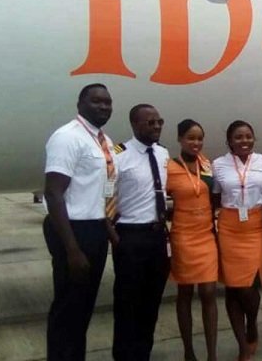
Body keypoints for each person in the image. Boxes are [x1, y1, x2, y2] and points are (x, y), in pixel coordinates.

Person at [43, 83, 115, 360]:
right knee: (68, 308)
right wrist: (72, 249)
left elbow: (98, 191)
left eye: (108, 102)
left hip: (94, 229)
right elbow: (53, 191)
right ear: (80, 104)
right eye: (97, 102)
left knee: (83, 309)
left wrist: (107, 229)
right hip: (72, 230)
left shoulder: (103, 140)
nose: (104, 107)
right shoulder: (67, 137)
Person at [111, 104, 170, 361]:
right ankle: (124, 355)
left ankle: (142, 354)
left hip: (158, 237)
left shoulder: (163, 154)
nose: (156, 127)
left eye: (159, 122)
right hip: (130, 236)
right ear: (134, 124)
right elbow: (105, 194)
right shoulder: (117, 154)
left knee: (151, 301)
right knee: (127, 302)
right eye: (150, 123)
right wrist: (111, 232)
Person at [211, 120, 262, 361]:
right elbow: (215, 197)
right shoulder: (218, 165)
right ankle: (242, 344)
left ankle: (252, 325)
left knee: (249, 286)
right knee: (233, 287)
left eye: (248, 136)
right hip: (229, 227)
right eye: (238, 137)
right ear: (229, 142)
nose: (244, 141)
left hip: (257, 227)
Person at [167, 119, 218, 361]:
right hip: (183, 237)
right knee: (185, 293)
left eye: (199, 138)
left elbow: (214, 197)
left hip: (206, 235)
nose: (196, 143)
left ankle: (211, 354)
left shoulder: (206, 165)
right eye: (190, 138)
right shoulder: (169, 167)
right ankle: (189, 352)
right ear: (179, 139)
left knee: (209, 292)